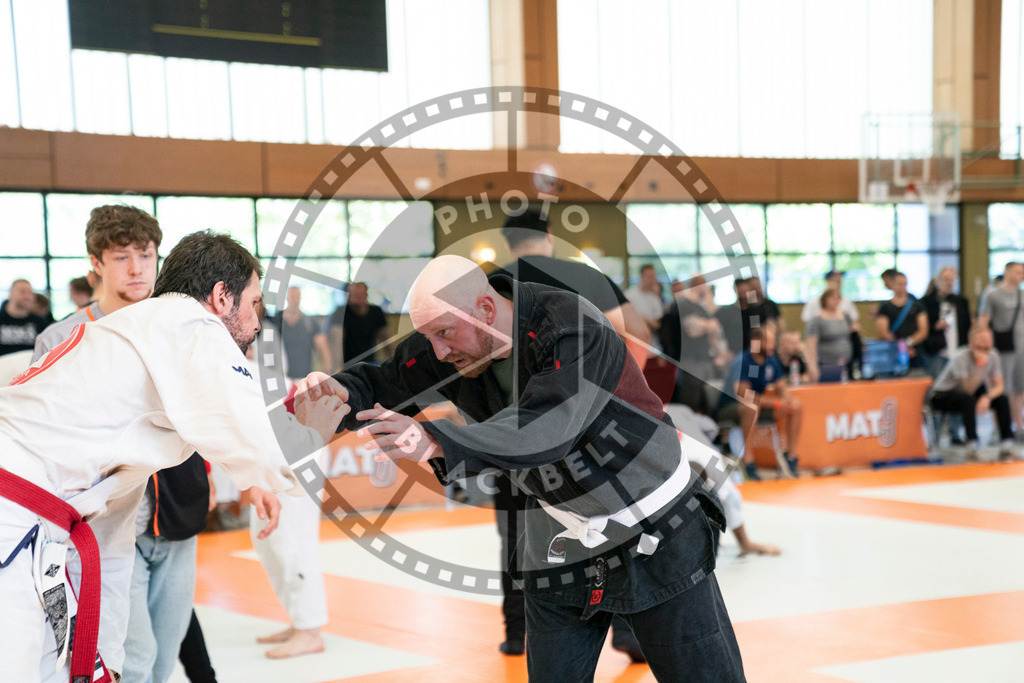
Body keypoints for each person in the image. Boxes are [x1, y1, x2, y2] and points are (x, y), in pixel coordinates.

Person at [297, 255, 746, 682]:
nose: (438, 350)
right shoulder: (447, 339)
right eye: (430, 337)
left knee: (703, 675)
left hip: (654, 523)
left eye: (446, 333)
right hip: (559, 532)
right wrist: (339, 392)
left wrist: (438, 439)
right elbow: (386, 380)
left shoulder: (571, 326)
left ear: (487, 308)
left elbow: (548, 428)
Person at [0, 230, 344, 683]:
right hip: (15, 516)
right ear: (222, 296)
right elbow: (272, 452)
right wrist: (325, 420)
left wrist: (108, 659)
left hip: (34, 517)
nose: (258, 322)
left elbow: (111, 537)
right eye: (254, 303)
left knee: (52, 665)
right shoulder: (192, 327)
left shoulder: (142, 332)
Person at [492, 209, 652, 661]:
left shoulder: (491, 284)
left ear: (507, 243)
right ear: (547, 236)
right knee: (610, 524)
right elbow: (633, 332)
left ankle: (515, 631)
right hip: (590, 424)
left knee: (516, 530)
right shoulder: (584, 275)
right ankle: (624, 630)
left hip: (514, 426)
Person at [718, 328, 801, 480]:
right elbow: (743, 394)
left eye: (772, 342)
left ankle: (791, 456)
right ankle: (748, 460)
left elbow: (782, 387)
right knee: (751, 408)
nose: (772, 346)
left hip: (757, 407)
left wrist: (788, 400)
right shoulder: (742, 360)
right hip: (731, 407)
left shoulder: (772, 360)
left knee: (796, 406)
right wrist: (776, 403)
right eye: (768, 342)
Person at [930, 327, 1020, 462]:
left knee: (1001, 399)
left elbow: (999, 386)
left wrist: (987, 397)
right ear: (971, 343)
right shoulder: (960, 357)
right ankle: (972, 447)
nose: (986, 345)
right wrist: (980, 365)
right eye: (982, 340)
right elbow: (968, 389)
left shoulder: (993, 354)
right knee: (968, 400)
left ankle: (1006, 446)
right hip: (943, 394)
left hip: (969, 394)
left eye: (989, 340)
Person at [660, 275, 723, 414]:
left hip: (706, 360)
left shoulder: (700, 307)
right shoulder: (684, 305)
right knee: (692, 403)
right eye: (704, 285)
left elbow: (715, 329)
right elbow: (692, 329)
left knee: (707, 403)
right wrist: (708, 325)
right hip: (691, 361)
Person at [977, 262, 1024, 438]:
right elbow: (983, 321)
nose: (1021, 275)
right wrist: (982, 346)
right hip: (1002, 347)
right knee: (1002, 388)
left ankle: (1018, 426)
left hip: (1021, 347)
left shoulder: (1022, 294)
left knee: (1020, 388)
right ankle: (1001, 428)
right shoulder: (992, 295)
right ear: (1007, 272)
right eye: (1018, 271)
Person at [920, 267, 971, 378]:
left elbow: (967, 325)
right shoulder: (926, 302)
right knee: (938, 381)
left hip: (958, 348)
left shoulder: (961, 301)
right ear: (938, 281)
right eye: (946, 280)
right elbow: (921, 327)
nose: (949, 283)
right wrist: (935, 326)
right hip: (937, 350)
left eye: (952, 280)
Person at [328, 282, 389, 371]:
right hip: (348, 366)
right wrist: (338, 369)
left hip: (371, 364)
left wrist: (391, 364)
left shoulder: (376, 312)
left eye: (358, 296)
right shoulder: (341, 312)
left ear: (366, 295)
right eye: (352, 296)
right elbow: (337, 342)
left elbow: (386, 341)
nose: (355, 300)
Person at [277, 286, 331, 383]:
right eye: (292, 297)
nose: (295, 300)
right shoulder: (276, 321)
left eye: (297, 297)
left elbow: (324, 351)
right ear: (286, 298)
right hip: (281, 379)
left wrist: (326, 377)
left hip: (304, 379)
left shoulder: (310, 323)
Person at [876, 270, 928, 368]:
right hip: (893, 352)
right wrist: (899, 347)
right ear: (893, 285)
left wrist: (908, 344)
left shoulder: (917, 305)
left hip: (914, 352)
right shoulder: (885, 307)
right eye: (899, 284)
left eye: (904, 284)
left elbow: (923, 330)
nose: (902, 287)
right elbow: (883, 332)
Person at [804, 289, 855, 382]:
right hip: (826, 363)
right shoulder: (817, 320)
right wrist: (813, 367)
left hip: (846, 362)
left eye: (837, 298)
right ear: (825, 299)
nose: (835, 301)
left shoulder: (845, 316)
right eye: (832, 298)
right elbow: (811, 345)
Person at [0, 278, 48, 356]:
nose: (27, 296)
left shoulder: (39, 322)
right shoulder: (1, 319)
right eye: (22, 292)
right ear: (11, 293)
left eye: (30, 293)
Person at [624, 264, 664, 351]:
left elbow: (657, 325)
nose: (652, 280)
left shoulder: (655, 298)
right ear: (642, 277)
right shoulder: (629, 295)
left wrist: (641, 319)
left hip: (652, 347)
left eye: (654, 277)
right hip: (633, 347)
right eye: (649, 277)